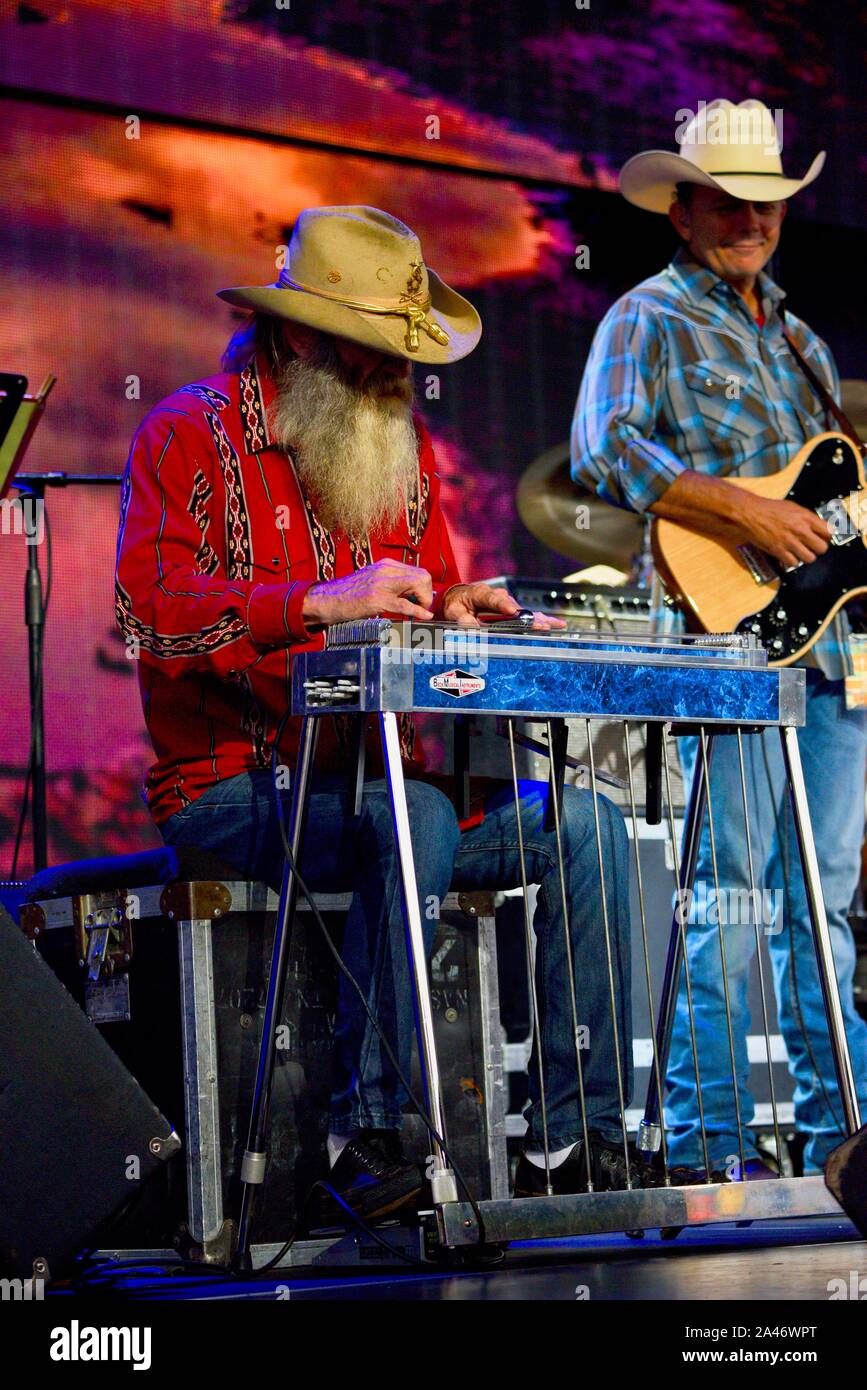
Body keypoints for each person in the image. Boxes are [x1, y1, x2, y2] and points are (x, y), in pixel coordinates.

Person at [116, 205, 636, 1220]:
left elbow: (425, 594)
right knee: (424, 818)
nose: (401, 375)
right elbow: (151, 613)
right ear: (302, 333)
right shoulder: (188, 431)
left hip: (379, 792)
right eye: (377, 350)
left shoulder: (401, 446)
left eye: (407, 354)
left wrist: (456, 607)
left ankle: (585, 1142)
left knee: (586, 826)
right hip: (232, 795)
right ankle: (371, 1136)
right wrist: (314, 601)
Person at [572, 100, 867, 1178]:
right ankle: (709, 1150)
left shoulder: (803, 341)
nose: (751, 216)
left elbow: (829, 516)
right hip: (728, 645)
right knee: (731, 903)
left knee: (823, 904)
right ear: (684, 210)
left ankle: (848, 1148)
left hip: (829, 656)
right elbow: (602, 448)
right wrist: (740, 514)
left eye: (767, 200)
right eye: (729, 200)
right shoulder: (646, 317)